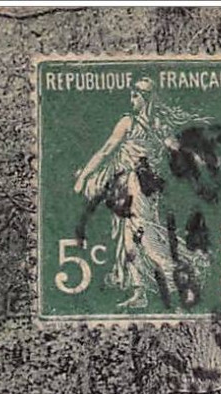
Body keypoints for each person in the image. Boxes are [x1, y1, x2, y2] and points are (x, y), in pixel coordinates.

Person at [73, 77, 209, 310]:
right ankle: (141, 291)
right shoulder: (158, 125)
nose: (131, 99)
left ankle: (180, 275)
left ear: (144, 98)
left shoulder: (130, 122)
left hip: (137, 185)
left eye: (135, 95)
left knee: (144, 236)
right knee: (130, 237)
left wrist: (85, 176)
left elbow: (106, 151)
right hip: (133, 187)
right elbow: (177, 149)